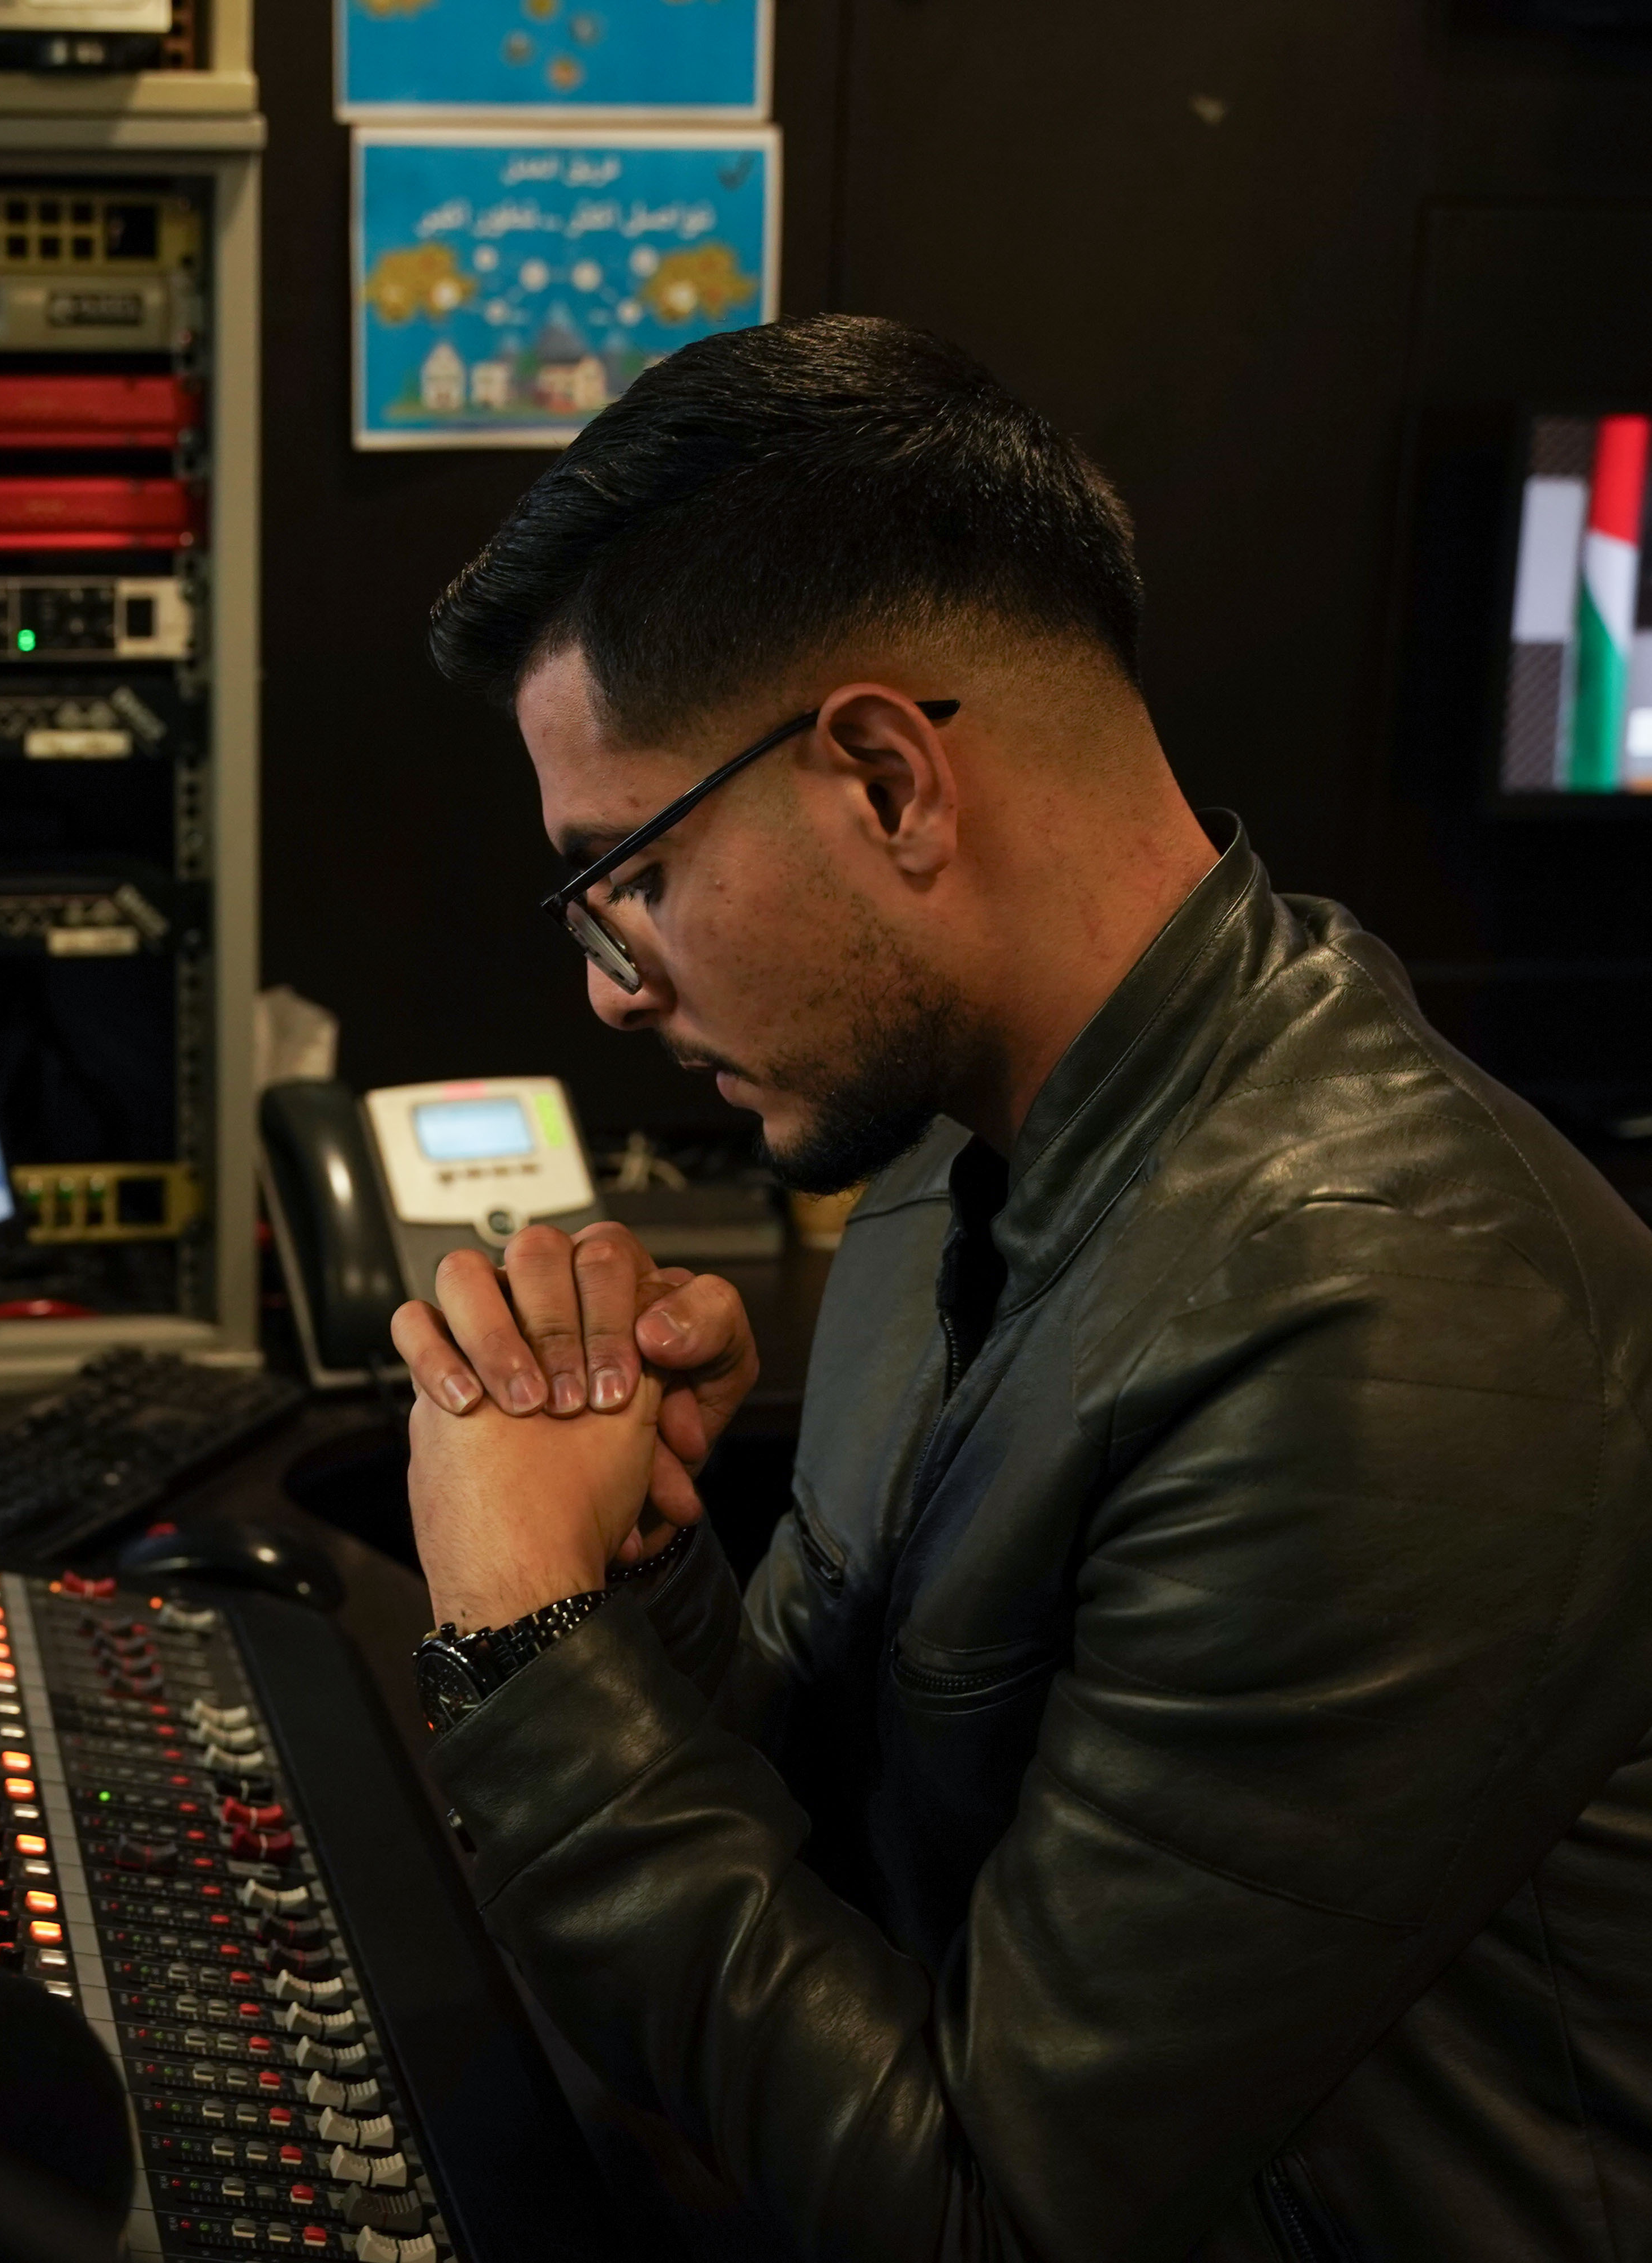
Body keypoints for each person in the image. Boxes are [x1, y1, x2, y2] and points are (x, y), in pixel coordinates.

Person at [390, 313, 1652, 2260]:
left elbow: (992, 2215)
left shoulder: (1390, 1329)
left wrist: (520, 1639)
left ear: (888, 780)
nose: (607, 983)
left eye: (621, 873)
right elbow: (846, 1831)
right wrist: (636, 1555)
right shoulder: (952, 1157)